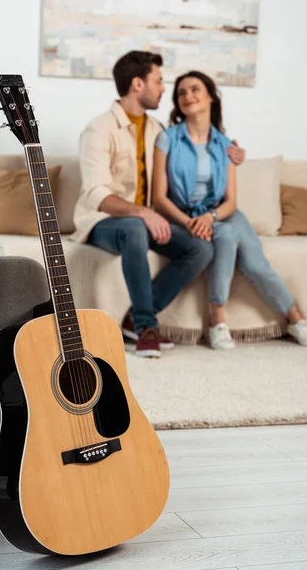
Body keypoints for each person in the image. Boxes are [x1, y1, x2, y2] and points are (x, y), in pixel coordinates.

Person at [71, 51, 245, 358]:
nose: (164, 89)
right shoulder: (98, 129)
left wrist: (229, 154)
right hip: (101, 224)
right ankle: (146, 328)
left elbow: (185, 169)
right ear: (138, 84)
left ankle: (132, 318)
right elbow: (96, 194)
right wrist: (144, 213)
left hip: (144, 223)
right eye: (159, 81)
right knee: (135, 226)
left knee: (201, 248)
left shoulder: (156, 131)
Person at [152, 70, 307, 349]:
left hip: (221, 213)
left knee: (255, 263)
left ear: (210, 96)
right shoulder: (167, 139)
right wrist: (190, 222)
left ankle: (296, 320)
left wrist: (209, 217)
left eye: (195, 89)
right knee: (224, 238)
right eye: (182, 92)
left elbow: (231, 202)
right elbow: (159, 198)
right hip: (182, 216)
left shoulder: (226, 146)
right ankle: (217, 320)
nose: (188, 96)